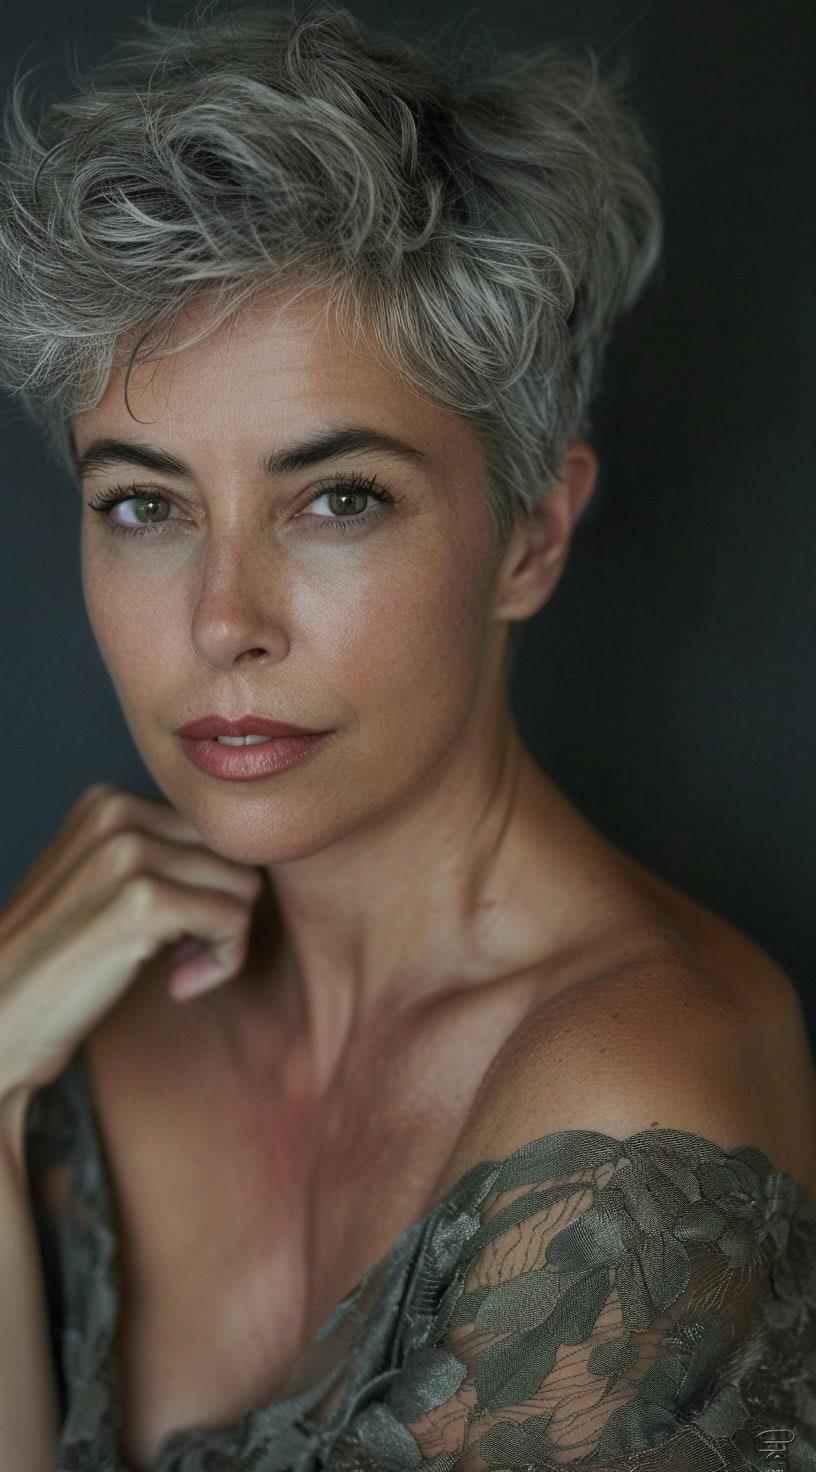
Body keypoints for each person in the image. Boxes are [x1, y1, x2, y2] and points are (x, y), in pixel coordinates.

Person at [0, 4, 814, 1469]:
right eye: (144, 504)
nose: (223, 619)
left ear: (533, 535)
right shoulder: (81, 1016)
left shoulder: (632, 1109)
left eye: (338, 498)